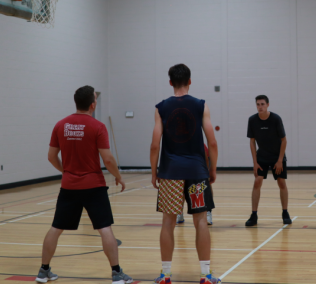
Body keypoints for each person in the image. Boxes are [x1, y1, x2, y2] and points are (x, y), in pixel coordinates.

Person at [36, 85, 133, 284]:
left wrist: (66, 171)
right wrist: (118, 176)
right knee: (104, 228)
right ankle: (116, 273)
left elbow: (51, 157)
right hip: (94, 186)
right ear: (92, 103)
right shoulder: (97, 126)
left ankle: (43, 271)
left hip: (69, 186)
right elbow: (108, 159)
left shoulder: (60, 125)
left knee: (56, 228)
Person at [150, 64, 220, 284]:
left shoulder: (161, 107)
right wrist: (212, 168)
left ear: (170, 82)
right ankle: (206, 275)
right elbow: (213, 142)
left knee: (168, 223)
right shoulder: (201, 105)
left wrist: (154, 172)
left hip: (170, 173)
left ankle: (166, 274)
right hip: (197, 172)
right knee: (200, 221)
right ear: (190, 81)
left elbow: (154, 145)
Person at [245, 95, 292, 226]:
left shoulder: (276, 119)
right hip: (262, 157)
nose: (260, 107)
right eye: (258, 104)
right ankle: (254, 215)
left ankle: (285, 212)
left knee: (281, 183)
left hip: (277, 156)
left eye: (262, 104)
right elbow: (252, 142)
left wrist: (280, 160)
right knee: (257, 182)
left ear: (268, 105)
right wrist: (255, 162)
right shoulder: (252, 120)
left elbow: (284, 140)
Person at [177, 144, 214, 225]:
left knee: (205, 182)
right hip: (183, 156)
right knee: (181, 182)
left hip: (201, 156)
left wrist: (207, 171)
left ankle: (208, 212)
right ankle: (179, 213)